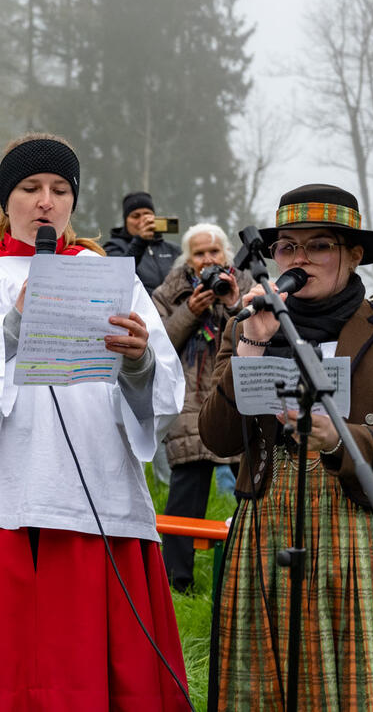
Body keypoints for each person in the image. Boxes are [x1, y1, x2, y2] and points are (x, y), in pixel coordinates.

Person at [0, 133, 187, 710]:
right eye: (30, 188)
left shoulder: (112, 277)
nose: (45, 201)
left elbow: (164, 394)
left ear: (73, 201)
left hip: (92, 493)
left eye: (59, 189)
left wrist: (139, 361)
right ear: (5, 199)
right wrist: (11, 326)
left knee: (85, 666)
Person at [199, 183, 373, 710]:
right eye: (288, 247)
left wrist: (339, 439)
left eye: (319, 246)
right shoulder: (249, 324)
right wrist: (251, 345)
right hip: (267, 526)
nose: (300, 259)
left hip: (363, 531)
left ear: (354, 256)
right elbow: (217, 438)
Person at [150, 223, 247, 592]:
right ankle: (176, 580)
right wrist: (189, 311)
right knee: (185, 494)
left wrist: (234, 304)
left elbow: (263, 335)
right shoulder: (169, 291)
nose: (208, 259)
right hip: (189, 402)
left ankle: (245, 575)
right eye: (199, 253)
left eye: (214, 251)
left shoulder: (245, 282)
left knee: (250, 493)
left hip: (235, 400)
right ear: (187, 259)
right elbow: (156, 346)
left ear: (226, 254)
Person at [105, 191, 181, 294]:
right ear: (126, 221)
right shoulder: (113, 248)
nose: (143, 221)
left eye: (147, 214)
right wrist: (140, 241)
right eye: (136, 216)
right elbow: (117, 276)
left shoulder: (173, 249)